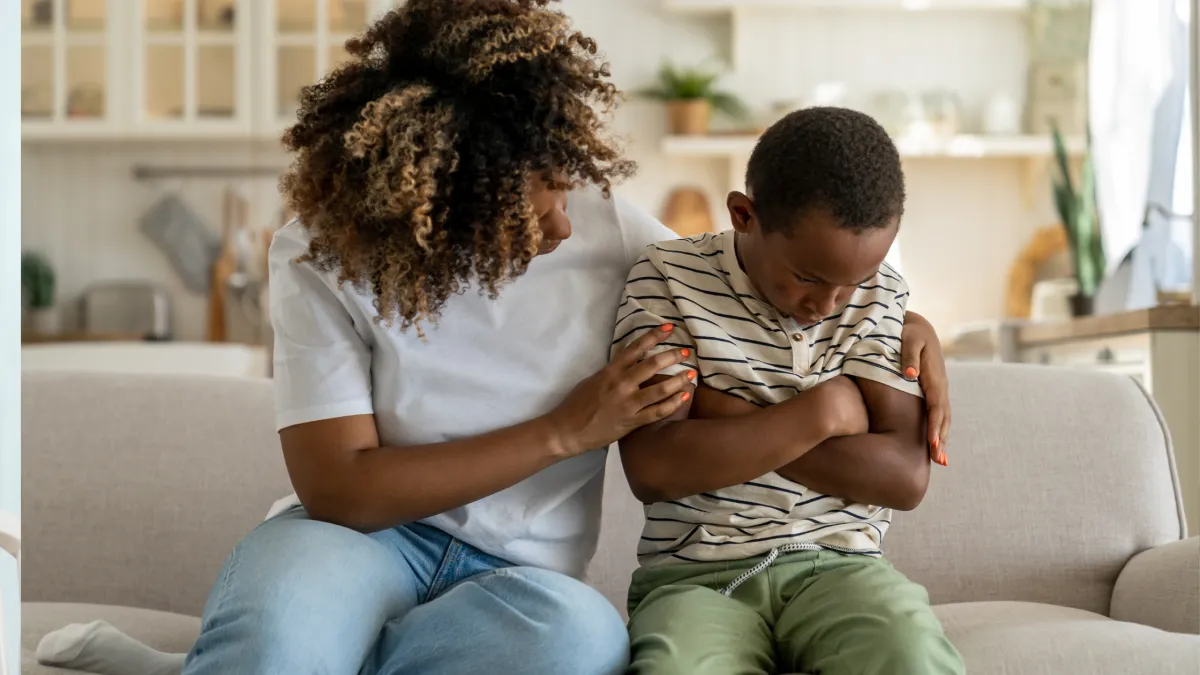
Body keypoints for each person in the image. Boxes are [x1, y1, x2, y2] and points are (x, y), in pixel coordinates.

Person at [31, 3, 952, 675]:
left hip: (521, 574)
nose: (566, 219)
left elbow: (753, 291)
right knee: (276, 645)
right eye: (539, 197)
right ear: (444, 195)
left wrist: (904, 323)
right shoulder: (323, 255)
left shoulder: (614, 233)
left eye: (569, 180)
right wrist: (565, 429)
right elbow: (341, 486)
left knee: (582, 643)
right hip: (358, 540)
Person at [612, 107, 964, 675]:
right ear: (743, 215)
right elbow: (654, 466)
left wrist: (726, 414)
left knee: (911, 654)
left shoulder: (881, 296)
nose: (829, 305)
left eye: (853, 282)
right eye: (807, 278)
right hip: (695, 576)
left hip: (843, 570)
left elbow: (902, 476)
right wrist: (822, 412)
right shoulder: (668, 278)